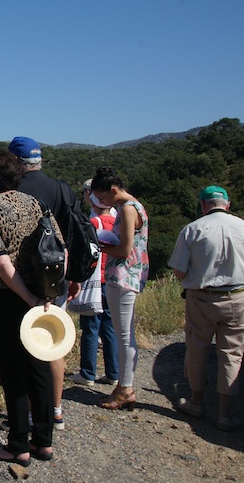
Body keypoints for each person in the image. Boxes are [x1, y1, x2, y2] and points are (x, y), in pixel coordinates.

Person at [0, 149, 61, 465]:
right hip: (43, 292)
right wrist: (44, 295)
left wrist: (26, 297)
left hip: (6, 296)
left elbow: (0, 261)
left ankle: (18, 445)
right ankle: (44, 441)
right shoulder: (38, 205)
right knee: (39, 365)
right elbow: (58, 246)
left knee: (13, 371)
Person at [169, 186, 244, 431]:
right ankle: (226, 414)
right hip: (238, 297)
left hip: (201, 298)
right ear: (227, 204)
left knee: (197, 349)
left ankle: (196, 404)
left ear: (202, 205)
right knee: (232, 353)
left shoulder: (192, 229)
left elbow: (179, 270)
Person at [8, 136, 79, 430]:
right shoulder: (61, 189)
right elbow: (72, 236)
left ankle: (28, 415)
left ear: (15, 162)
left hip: (21, 280)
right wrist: (73, 276)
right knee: (53, 343)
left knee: (25, 346)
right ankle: (55, 410)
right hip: (55, 277)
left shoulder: (12, 191)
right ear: (39, 161)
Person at [91, 166, 149, 412]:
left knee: (123, 334)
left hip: (123, 276)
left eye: (103, 198)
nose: (102, 203)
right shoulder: (136, 206)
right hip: (130, 275)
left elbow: (124, 249)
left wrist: (99, 246)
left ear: (114, 190)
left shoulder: (126, 209)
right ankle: (124, 386)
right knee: (125, 332)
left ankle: (125, 388)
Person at [69, 185, 119, 386]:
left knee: (90, 327)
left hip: (95, 281)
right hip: (112, 280)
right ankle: (114, 373)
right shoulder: (117, 222)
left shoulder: (92, 223)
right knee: (110, 327)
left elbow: (85, 253)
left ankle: (87, 373)